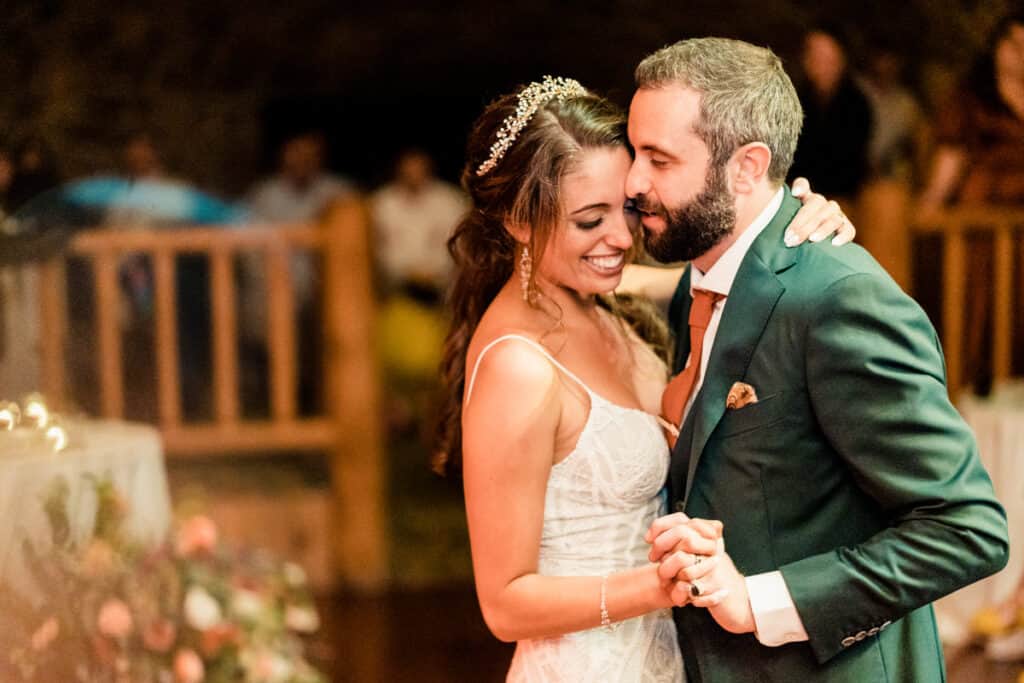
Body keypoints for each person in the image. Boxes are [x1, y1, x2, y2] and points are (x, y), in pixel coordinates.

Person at [435, 76, 853, 681]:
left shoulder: (597, 302)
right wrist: (659, 585)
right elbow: (504, 604)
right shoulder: (517, 367)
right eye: (589, 220)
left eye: (626, 208)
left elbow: (722, 277)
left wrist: (792, 225)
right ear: (519, 222)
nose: (621, 238)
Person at [628, 38, 1008, 682]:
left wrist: (759, 601)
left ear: (748, 167)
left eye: (659, 159)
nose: (634, 182)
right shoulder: (697, 284)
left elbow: (966, 528)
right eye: (634, 153)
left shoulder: (837, 297)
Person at [918, 12, 1024, 391]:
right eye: (1012, 44)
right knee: (977, 303)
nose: (1019, 54)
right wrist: (931, 203)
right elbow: (952, 155)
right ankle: (967, 385)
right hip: (978, 221)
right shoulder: (973, 98)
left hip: (1019, 226)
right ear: (998, 48)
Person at [788, 27, 873, 210]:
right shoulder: (796, 99)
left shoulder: (857, 103)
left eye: (826, 56)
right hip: (797, 191)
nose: (818, 63)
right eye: (813, 55)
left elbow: (852, 162)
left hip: (843, 197)